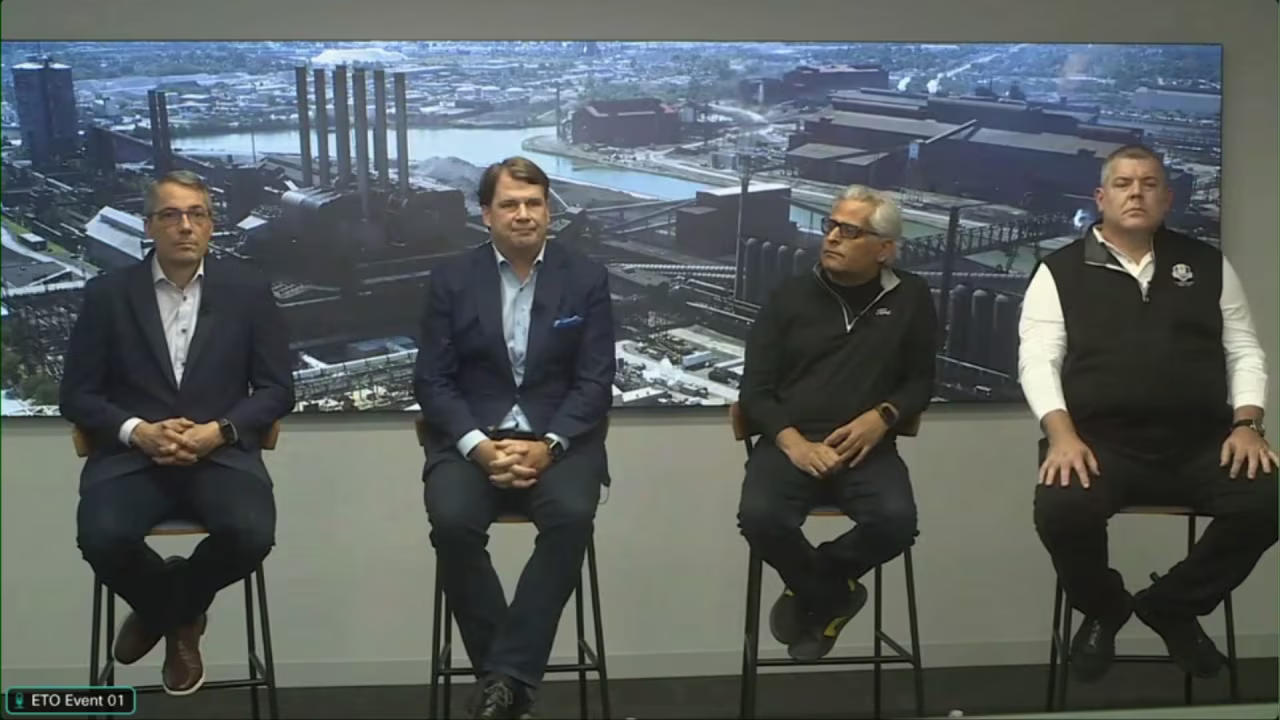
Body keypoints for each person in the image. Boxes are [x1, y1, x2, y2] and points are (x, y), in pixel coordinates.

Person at [1018, 143, 1278, 683]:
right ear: (1100, 197)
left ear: (1167, 198)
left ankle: (1172, 606)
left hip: (1200, 443)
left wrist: (1248, 424)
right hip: (1097, 445)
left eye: (1149, 183)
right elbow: (1038, 362)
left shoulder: (1207, 264)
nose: (1136, 193)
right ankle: (1105, 608)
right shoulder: (1057, 270)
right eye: (1123, 183)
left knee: (1269, 499)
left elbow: (1244, 350)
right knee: (1061, 511)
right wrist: (1061, 436)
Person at [60, 170, 294, 695]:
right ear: (150, 226)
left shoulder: (248, 292)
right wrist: (136, 431)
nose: (185, 226)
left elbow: (278, 390)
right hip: (131, 458)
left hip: (220, 454)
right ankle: (181, 616)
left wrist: (221, 430)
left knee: (251, 533)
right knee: (102, 537)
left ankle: (162, 608)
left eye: (197, 215)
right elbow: (76, 395)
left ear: (211, 225)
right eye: (171, 215)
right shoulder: (107, 295)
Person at [414, 156, 616, 719]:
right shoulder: (450, 280)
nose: (524, 214)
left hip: (560, 445)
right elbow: (431, 379)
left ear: (549, 210)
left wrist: (548, 445)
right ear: (486, 215)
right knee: (451, 522)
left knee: (572, 516)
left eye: (534, 203)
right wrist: (479, 446)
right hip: (472, 443)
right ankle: (508, 676)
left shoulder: (586, 278)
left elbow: (596, 381)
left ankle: (501, 684)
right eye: (510, 204)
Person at [737, 184, 938, 661]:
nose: (832, 238)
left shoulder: (911, 297)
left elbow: (920, 383)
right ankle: (832, 597)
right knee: (761, 519)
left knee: (896, 523)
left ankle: (813, 583)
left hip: (865, 446)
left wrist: (883, 417)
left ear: (885, 249)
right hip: (790, 443)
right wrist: (794, 445)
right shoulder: (789, 296)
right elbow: (755, 391)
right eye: (831, 226)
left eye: (850, 231)